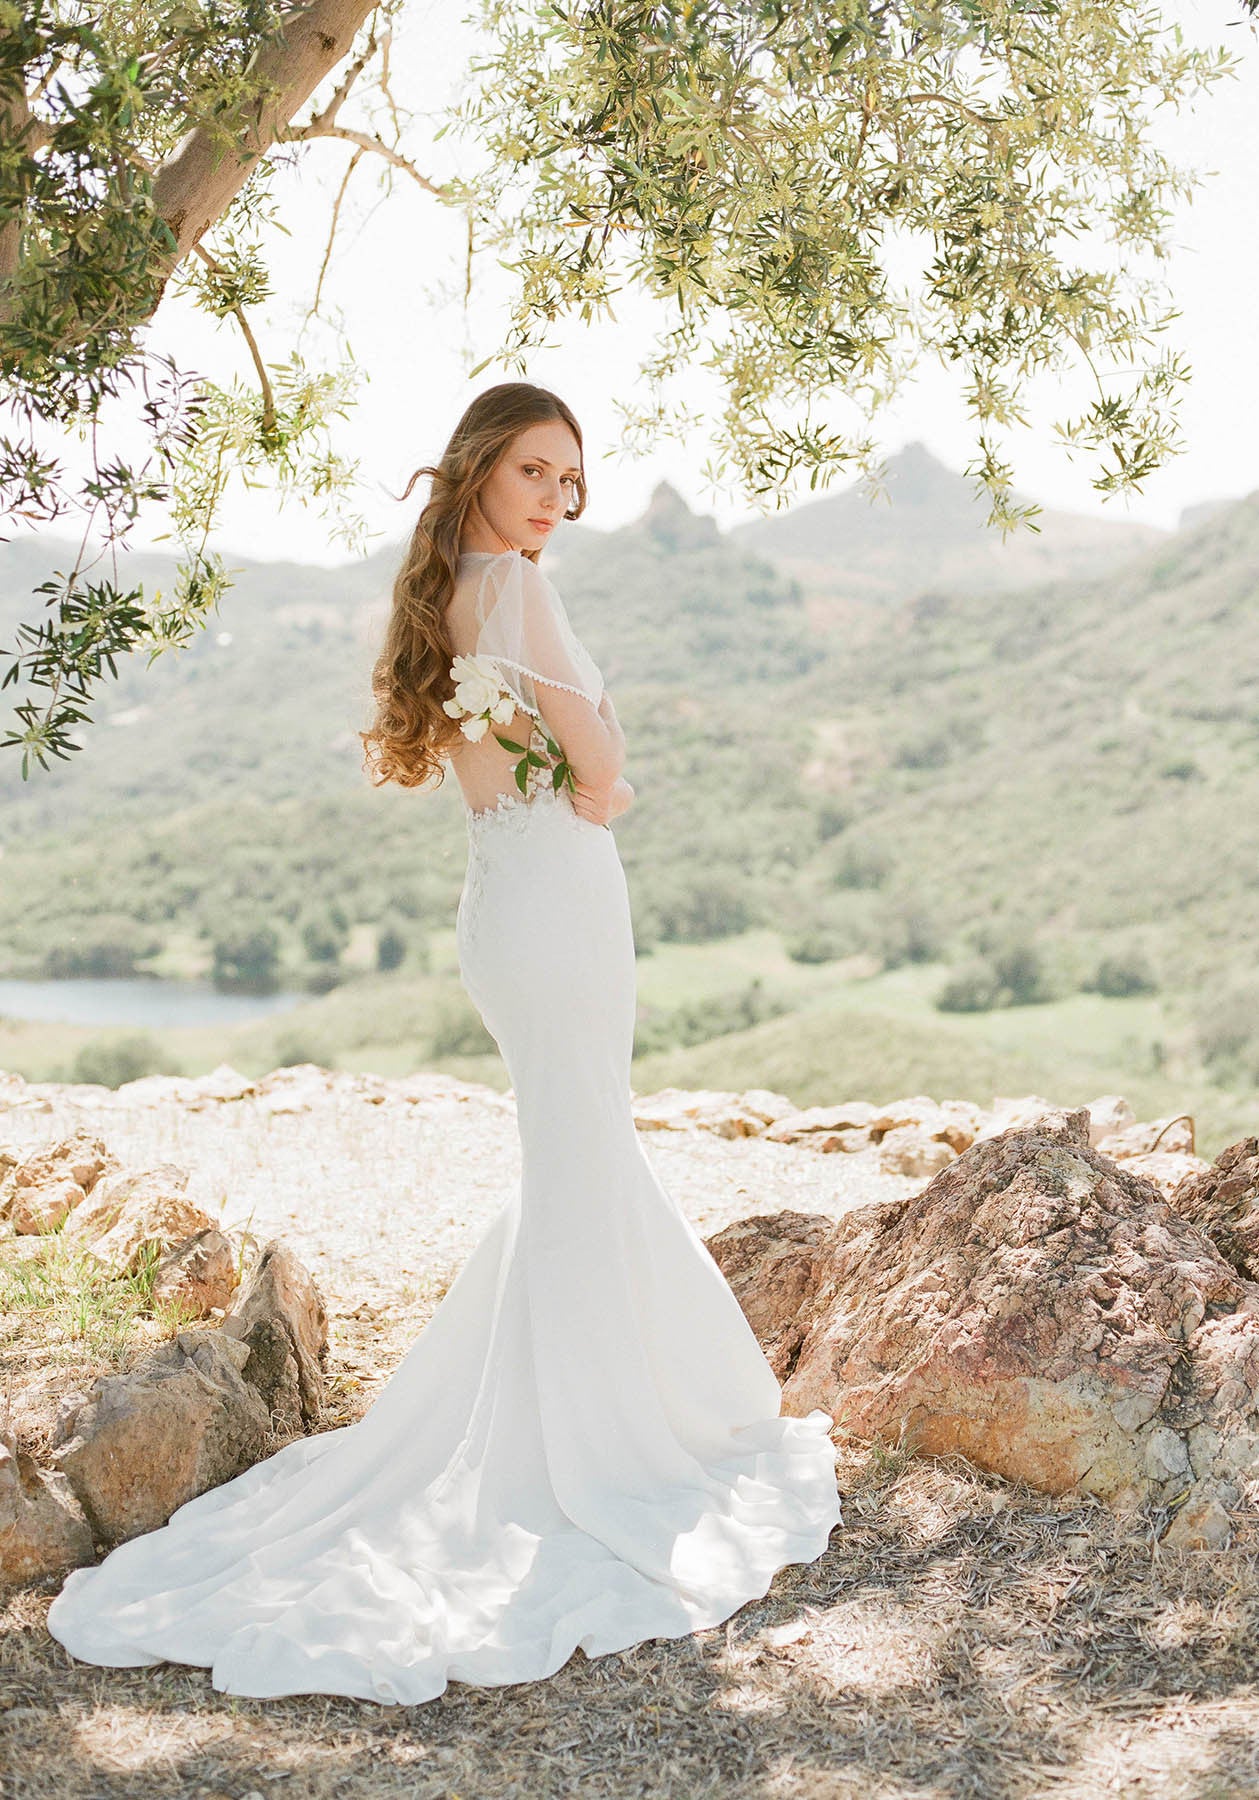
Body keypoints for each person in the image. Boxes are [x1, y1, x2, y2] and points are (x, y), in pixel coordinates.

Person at [45, 381, 842, 1704]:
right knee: (585, 1151)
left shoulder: (452, 596)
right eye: (537, 471)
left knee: (577, 1155)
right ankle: (598, 1443)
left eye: (570, 482)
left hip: (508, 902)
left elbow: (535, 759)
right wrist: (610, 770)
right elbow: (594, 764)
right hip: (560, 897)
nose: (556, 502)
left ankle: (582, 1413)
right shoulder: (516, 593)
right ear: (479, 468)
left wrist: (585, 769)